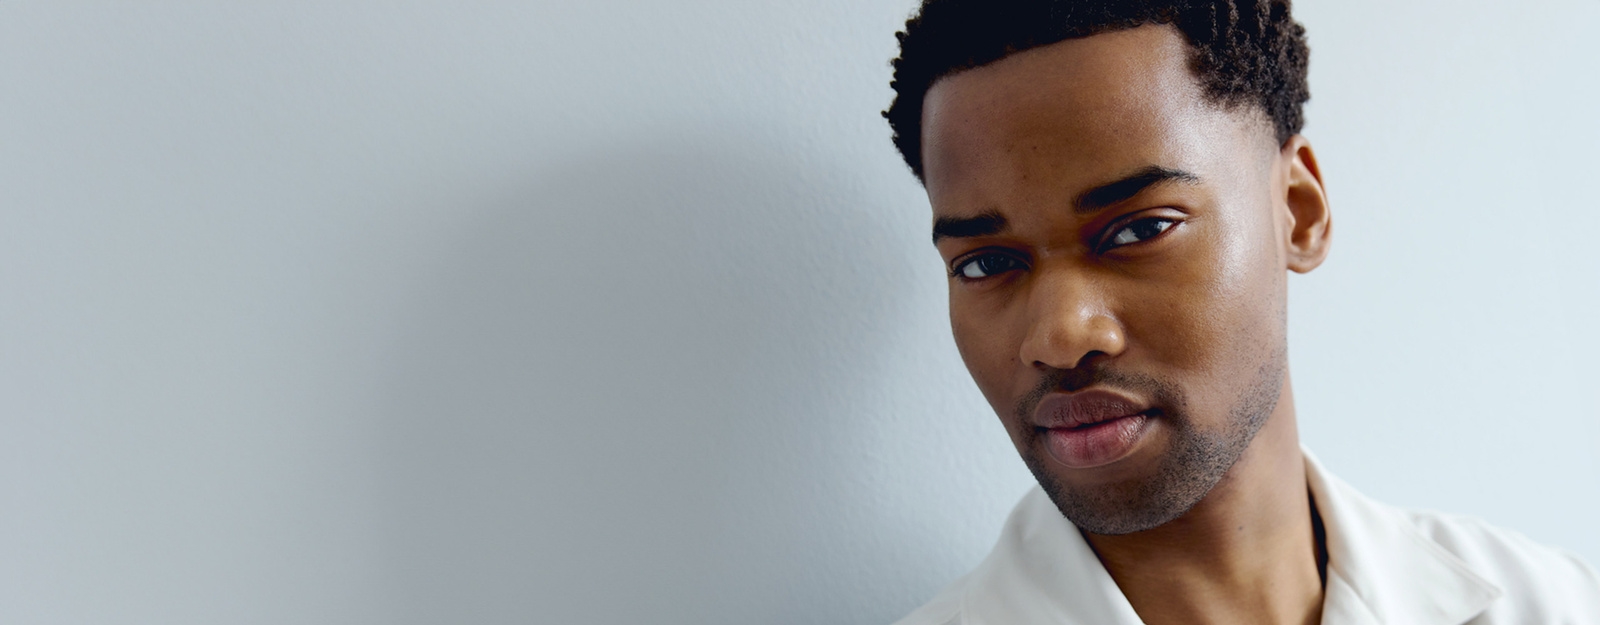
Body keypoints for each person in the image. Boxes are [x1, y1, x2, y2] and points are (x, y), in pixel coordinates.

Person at [881, 1, 1600, 623]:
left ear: (1298, 210)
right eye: (985, 263)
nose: (1062, 336)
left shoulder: (1556, 605)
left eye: (1139, 229)